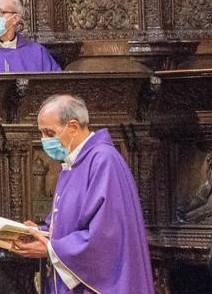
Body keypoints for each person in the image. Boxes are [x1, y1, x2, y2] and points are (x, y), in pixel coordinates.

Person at [12, 95, 154, 294]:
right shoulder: (74, 164)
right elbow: (73, 224)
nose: (43, 140)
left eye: (49, 132)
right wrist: (42, 232)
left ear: (73, 127)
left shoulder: (103, 161)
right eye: (42, 133)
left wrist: (52, 250)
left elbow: (106, 237)